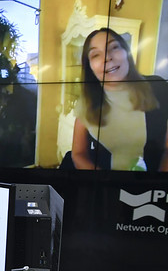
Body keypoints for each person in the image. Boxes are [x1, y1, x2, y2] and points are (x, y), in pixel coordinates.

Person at [71, 28, 168, 171]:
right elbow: (78, 154)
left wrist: (158, 185)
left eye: (114, 47)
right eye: (96, 55)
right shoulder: (86, 103)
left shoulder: (158, 87)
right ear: (89, 67)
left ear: (126, 52)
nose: (107, 57)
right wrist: (103, 183)